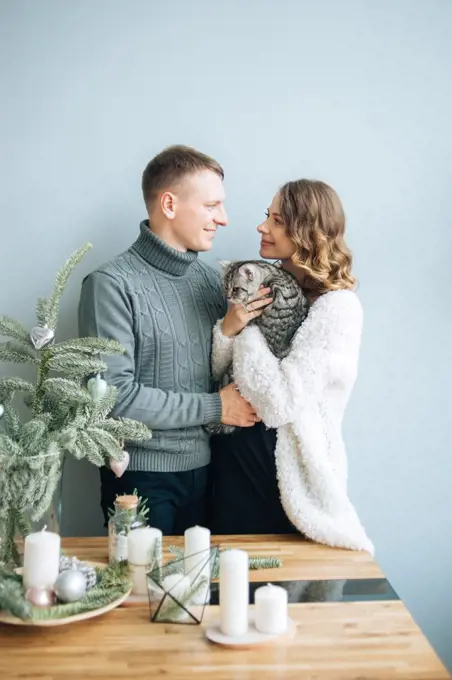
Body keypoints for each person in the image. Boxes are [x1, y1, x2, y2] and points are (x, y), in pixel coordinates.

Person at [78, 145, 258, 534]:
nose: (223, 219)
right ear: (170, 204)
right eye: (211, 205)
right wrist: (215, 407)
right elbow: (114, 400)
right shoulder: (110, 286)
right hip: (140, 482)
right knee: (142, 593)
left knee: (201, 594)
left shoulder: (211, 282)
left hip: (211, 477)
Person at [210, 179, 374, 553]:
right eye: (266, 216)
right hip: (234, 456)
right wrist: (228, 328)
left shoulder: (337, 308)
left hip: (283, 473)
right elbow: (217, 374)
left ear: (305, 230)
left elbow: (279, 401)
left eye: (277, 220)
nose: (262, 226)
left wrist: (247, 333)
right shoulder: (268, 286)